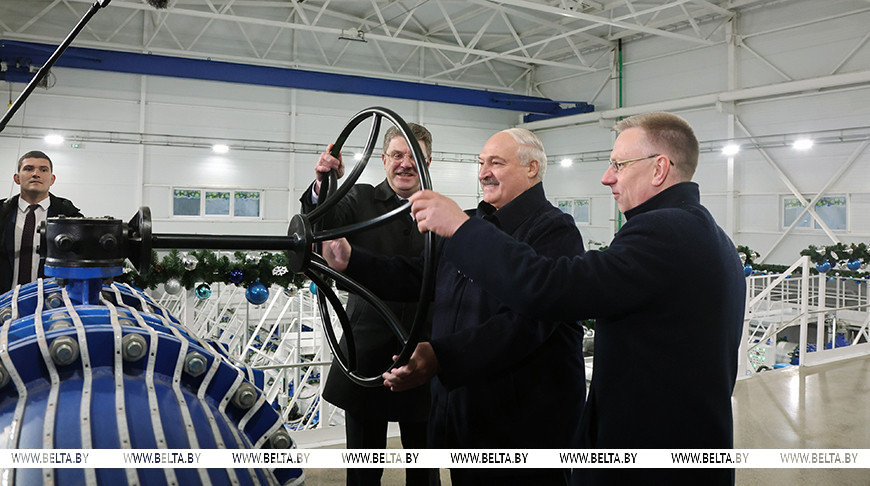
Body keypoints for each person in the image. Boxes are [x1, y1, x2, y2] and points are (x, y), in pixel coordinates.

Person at [408, 113, 746, 485]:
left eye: (618, 164)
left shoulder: (662, 231)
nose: (607, 176)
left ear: (659, 169)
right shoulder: (710, 236)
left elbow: (550, 288)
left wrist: (461, 227)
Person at [324, 128, 587, 486]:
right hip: (467, 415)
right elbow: (418, 275)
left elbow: (526, 325)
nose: (483, 173)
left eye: (496, 162)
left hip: (521, 427)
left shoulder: (554, 230)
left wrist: (440, 356)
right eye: (481, 163)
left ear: (532, 168)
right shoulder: (473, 223)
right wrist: (350, 261)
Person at [300, 123, 436, 486]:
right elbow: (321, 223)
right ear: (383, 159)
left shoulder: (441, 212)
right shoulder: (359, 199)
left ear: (428, 162)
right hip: (366, 351)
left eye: (414, 157)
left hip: (425, 352)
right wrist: (324, 185)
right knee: (363, 470)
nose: (405, 164)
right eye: (397, 155)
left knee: (425, 469)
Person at [0, 150, 83, 294]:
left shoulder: (72, 219)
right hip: (4, 302)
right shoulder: (2, 214)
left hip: (52, 303)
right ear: (17, 178)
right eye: (28, 168)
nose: (35, 174)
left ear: (52, 179)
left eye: (43, 170)